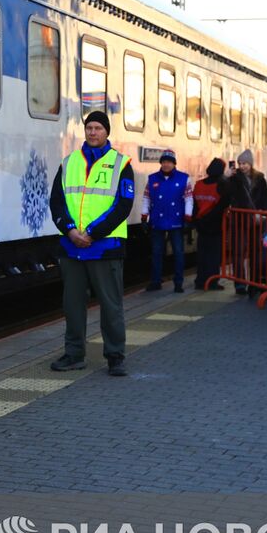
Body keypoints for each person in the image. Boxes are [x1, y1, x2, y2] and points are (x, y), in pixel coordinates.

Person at [49, 110, 134, 376]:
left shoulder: (122, 164)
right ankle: (74, 354)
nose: (93, 132)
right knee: (72, 306)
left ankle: (115, 356)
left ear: (107, 131)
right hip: (72, 248)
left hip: (105, 247)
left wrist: (93, 233)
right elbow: (56, 202)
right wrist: (71, 230)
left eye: (98, 128)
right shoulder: (69, 162)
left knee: (111, 306)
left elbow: (123, 205)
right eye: (89, 128)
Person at [221, 149, 267, 294]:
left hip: (256, 220)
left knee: (255, 251)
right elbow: (223, 192)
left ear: (251, 164)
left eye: (245, 163)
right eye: (240, 163)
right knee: (238, 251)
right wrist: (225, 177)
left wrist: (263, 212)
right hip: (239, 219)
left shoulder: (260, 178)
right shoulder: (234, 178)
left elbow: (265, 197)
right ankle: (240, 283)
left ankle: (254, 282)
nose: (242, 166)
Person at [142, 149, 192, 292]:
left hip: (176, 220)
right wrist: (144, 217)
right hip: (157, 220)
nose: (166, 165)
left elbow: (189, 199)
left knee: (178, 252)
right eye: (164, 162)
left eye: (169, 162)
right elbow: (146, 198)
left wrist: (188, 217)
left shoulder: (184, 178)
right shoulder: (152, 179)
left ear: (174, 164)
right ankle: (155, 281)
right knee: (156, 252)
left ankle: (178, 282)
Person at [192, 159, 227, 290]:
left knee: (202, 254)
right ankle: (212, 281)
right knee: (214, 255)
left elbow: (194, 204)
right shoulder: (221, 185)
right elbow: (222, 204)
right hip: (215, 224)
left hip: (201, 224)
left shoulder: (199, 184)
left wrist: (196, 220)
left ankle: (200, 281)